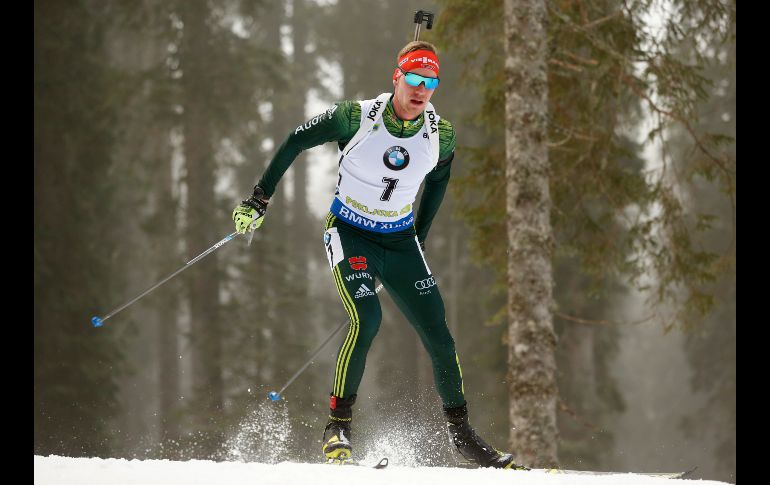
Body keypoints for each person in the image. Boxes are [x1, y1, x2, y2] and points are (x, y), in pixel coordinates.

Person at [232, 41, 525, 469]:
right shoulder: (356, 117)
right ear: (397, 77)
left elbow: (439, 182)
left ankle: (462, 436)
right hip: (350, 233)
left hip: (400, 240)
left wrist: (419, 236)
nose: (422, 88)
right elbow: (296, 139)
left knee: (439, 335)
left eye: (431, 81)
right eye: (414, 78)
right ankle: (338, 427)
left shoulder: (440, 134)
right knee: (367, 317)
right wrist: (260, 198)